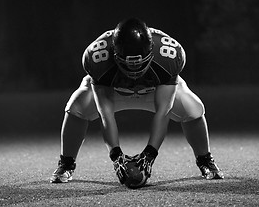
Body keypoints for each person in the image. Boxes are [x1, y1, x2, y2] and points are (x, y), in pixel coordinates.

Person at [50, 17, 224, 184]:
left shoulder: (167, 56)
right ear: (114, 54)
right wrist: (116, 155)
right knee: (76, 106)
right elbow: (106, 114)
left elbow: (164, 111)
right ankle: (66, 164)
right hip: (114, 90)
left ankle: (205, 160)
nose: (134, 70)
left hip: (155, 89)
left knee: (193, 108)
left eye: (139, 64)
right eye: (128, 64)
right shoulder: (99, 58)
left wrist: (149, 155)